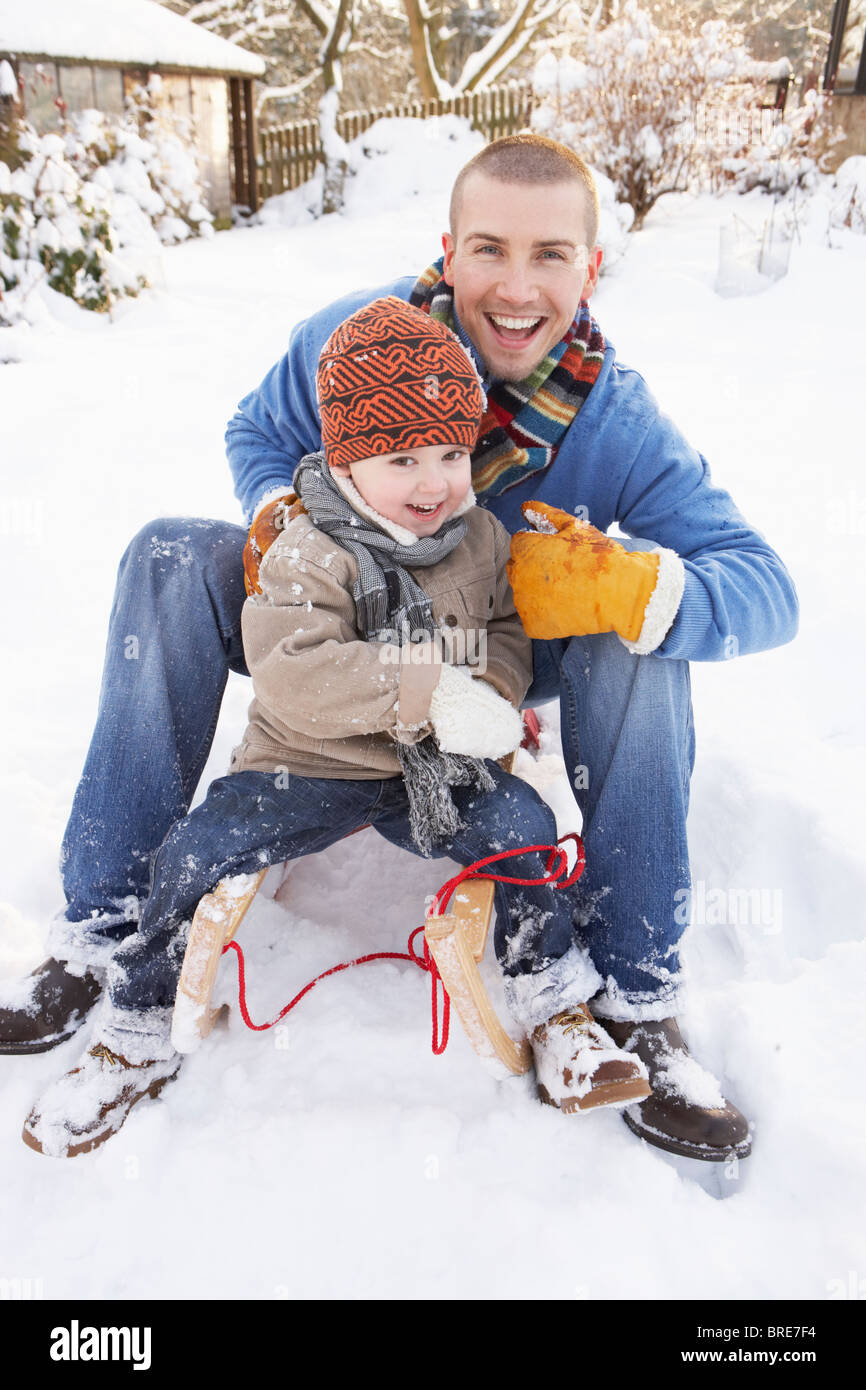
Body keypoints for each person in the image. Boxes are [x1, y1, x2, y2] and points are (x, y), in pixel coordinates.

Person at [2, 133, 798, 1163]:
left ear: (590, 266)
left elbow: (765, 586)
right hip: (327, 623)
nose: (516, 286)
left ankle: (634, 994)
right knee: (165, 553)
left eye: (550, 253)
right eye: (488, 249)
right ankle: (102, 929)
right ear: (447, 248)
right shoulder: (358, 342)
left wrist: (634, 589)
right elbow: (255, 430)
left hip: (485, 650)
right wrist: (285, 515)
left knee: (641, 609)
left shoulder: (618, 421)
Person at [21, 299, 650, 1158]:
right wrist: (428, 690)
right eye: (402, 459)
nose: (432, 483)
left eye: (451, 454)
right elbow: (297, 670)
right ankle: (134, 1026)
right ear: (349, 463)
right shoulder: (308, 549)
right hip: (304, 762)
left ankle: (557, 1006)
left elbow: (503, 633)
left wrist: (492, 696)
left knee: (525, 831)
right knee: (195, 854)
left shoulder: (479, 542)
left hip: (436, 766)